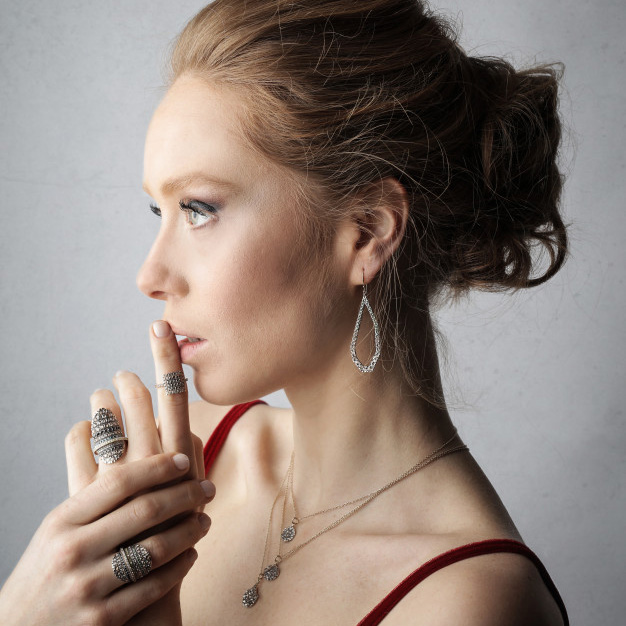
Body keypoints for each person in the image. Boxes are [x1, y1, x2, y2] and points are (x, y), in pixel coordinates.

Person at [0, 0, 570, 624]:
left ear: (365, 230)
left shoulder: (472, 602)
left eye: (198, 209)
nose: (149, 277)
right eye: (156, 213)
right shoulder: (184, 465)